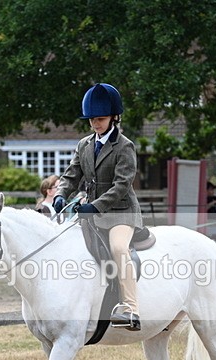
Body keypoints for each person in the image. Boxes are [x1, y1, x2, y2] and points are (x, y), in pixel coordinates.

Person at [52, 82, 143, 331]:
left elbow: (122, 185)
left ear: (114, 117)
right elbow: (72, 175)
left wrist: (95, 206)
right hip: (92, 212)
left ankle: (132, 310)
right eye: (91, 120)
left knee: (118, 248)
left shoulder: (125, 146)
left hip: (121, 213)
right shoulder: (84, 145)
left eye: (100, 119)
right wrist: (60, 194)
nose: (95, 124)